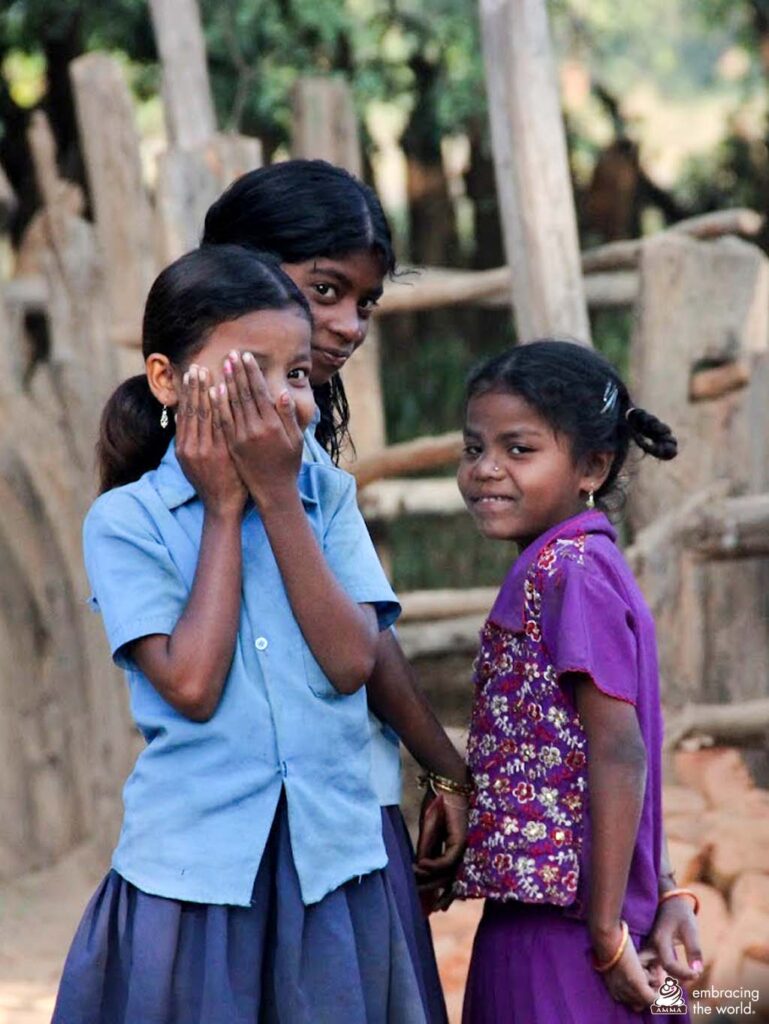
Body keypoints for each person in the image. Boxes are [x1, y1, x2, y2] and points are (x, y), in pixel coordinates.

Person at [52, 244, 435, 1024]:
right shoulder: (128, 523)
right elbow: (190, 685)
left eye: (295, 374)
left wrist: (277, 501)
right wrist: (226, 509)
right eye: (248, 369)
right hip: (194, 883)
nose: (282, 398)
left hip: (330, 871)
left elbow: (351, 661)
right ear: (166, 380)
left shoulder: (323, 497)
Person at [204, 160, 470, 996]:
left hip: (340, 818)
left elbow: (363, 640)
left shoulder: (308, 464)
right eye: (324, 290)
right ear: (237, 270)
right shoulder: (162, 470)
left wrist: (445, 770)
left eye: (363, 303)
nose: (349, 324)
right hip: (228, 842)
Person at [452, 340, 702, 1023]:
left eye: (518, 449)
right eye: (473, 448)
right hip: (585, 918)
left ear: (592, 465)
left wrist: (603, 936)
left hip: (563, 932)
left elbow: (619, 751)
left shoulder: (569, 574)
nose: (485, 471)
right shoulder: (571, 565)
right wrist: (665, 890)